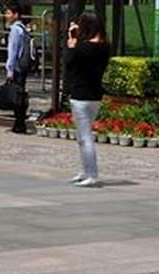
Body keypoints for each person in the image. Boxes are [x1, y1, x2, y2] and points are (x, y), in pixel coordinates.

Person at [64, 12, 110, 188]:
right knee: (84, 136)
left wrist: (72, 43)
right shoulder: (105, 47)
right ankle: (85, 171)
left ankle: (91, 174)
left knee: (85, 137)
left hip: (80, 96)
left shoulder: (82, 49)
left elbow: (69, 64)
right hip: (95, 96)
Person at [4, 2, 28, 134]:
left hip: (17, 67)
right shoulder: (23, 28)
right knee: (20, 93)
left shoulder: (15, 30)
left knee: (16, 95)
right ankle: (20, 122)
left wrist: (10, 69)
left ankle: (19, 124)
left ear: (16, 15)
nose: (6, 15)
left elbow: (12, 51)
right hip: (23, 66)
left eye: (8, 13)